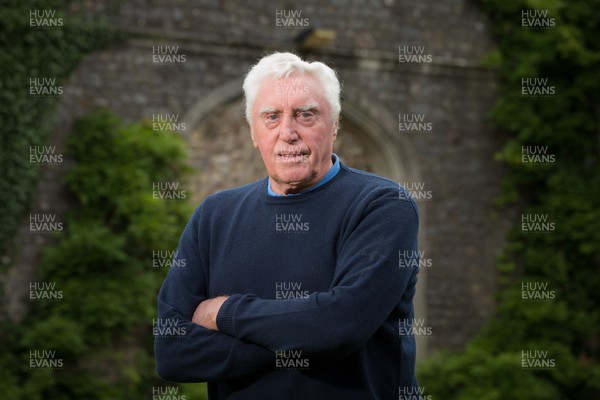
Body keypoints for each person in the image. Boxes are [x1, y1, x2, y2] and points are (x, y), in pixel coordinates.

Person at [155, 52, 420, 399]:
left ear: (335, 124)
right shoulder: (215, 215)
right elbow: (172, 352)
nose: (288, 133)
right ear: (253, 131)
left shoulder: (381, 206)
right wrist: (302, 340)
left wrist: (225, 312)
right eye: (271, 117)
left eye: (305, 115)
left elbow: (339, 325)